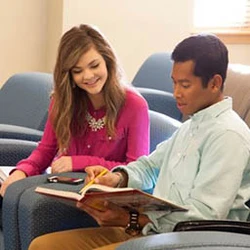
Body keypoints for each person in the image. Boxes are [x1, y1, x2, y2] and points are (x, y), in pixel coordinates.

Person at [29, 34, 250, 250]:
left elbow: (203, 217)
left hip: (189, 240)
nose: (176, 93)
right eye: (174, 83)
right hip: (155, 231)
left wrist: (131, 218)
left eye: (185, 85)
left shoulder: (228, 135)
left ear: (214, 83)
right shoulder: (190, 128)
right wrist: (116, 178)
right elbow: (149, 166)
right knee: (43, 245)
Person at [0, 24, 149, 197]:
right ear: (69, 74)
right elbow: (45, 150)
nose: (87, 76)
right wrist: (22, 172)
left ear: (108, 61)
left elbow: (136, 171)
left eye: (94, 66)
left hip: (105, 196)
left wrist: (78, 162)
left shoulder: (135, 106)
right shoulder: (62, 100)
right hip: (64, 187)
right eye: (78, 71)